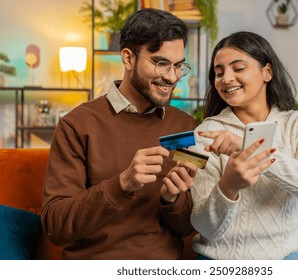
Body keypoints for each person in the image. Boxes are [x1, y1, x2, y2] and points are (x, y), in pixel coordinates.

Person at [41, 8, 199, 260]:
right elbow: (56, 227)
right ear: (128, 58)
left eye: (178, 66)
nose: (171, 77)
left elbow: (186, 228)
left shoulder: (185, 125)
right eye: (160, 63)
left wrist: (172, 199)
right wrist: (122, 183)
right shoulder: (77, 125)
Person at [189, 31, 298, 260]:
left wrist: (246, 147)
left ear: (267, 72)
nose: (226, 78)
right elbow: (204, 226)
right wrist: (227, 187)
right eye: (219, 72)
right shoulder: (207, 134)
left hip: (289, 257)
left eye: (238, 68)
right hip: (221, 259)